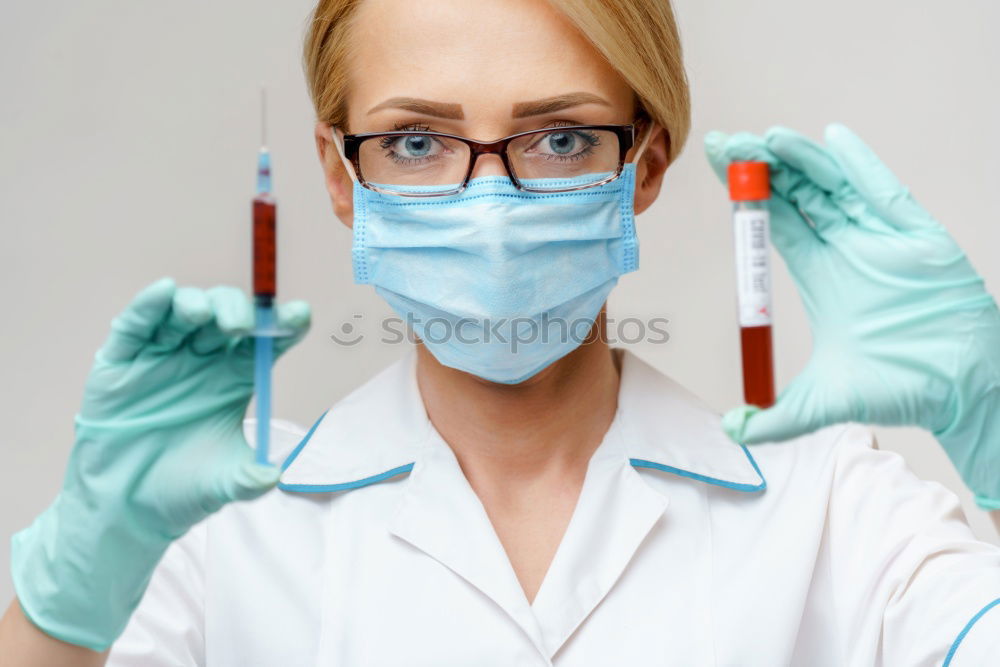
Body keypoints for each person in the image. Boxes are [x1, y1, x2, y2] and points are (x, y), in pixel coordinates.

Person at [2, 0, 1000, 664]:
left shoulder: (833, 509)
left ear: (644, 163)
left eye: (559, 137)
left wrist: (994, 422)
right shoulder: (212, 535)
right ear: (340, 176)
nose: (489, 202)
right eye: (417, 142)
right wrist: (73, 591)